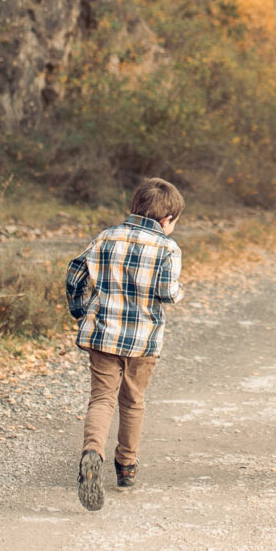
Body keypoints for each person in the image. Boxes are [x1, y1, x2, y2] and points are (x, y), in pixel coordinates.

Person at [65, 177, 186, 508]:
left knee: (102, 399)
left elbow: (75, 274)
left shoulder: (106, 236)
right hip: (142, 340)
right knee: (132, 401)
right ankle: (126, 467)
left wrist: (81, 311)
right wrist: (179, 292)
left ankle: (93, 452)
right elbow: (166, 291)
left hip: (102, 333)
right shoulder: (167, 248)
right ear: (167, 220)